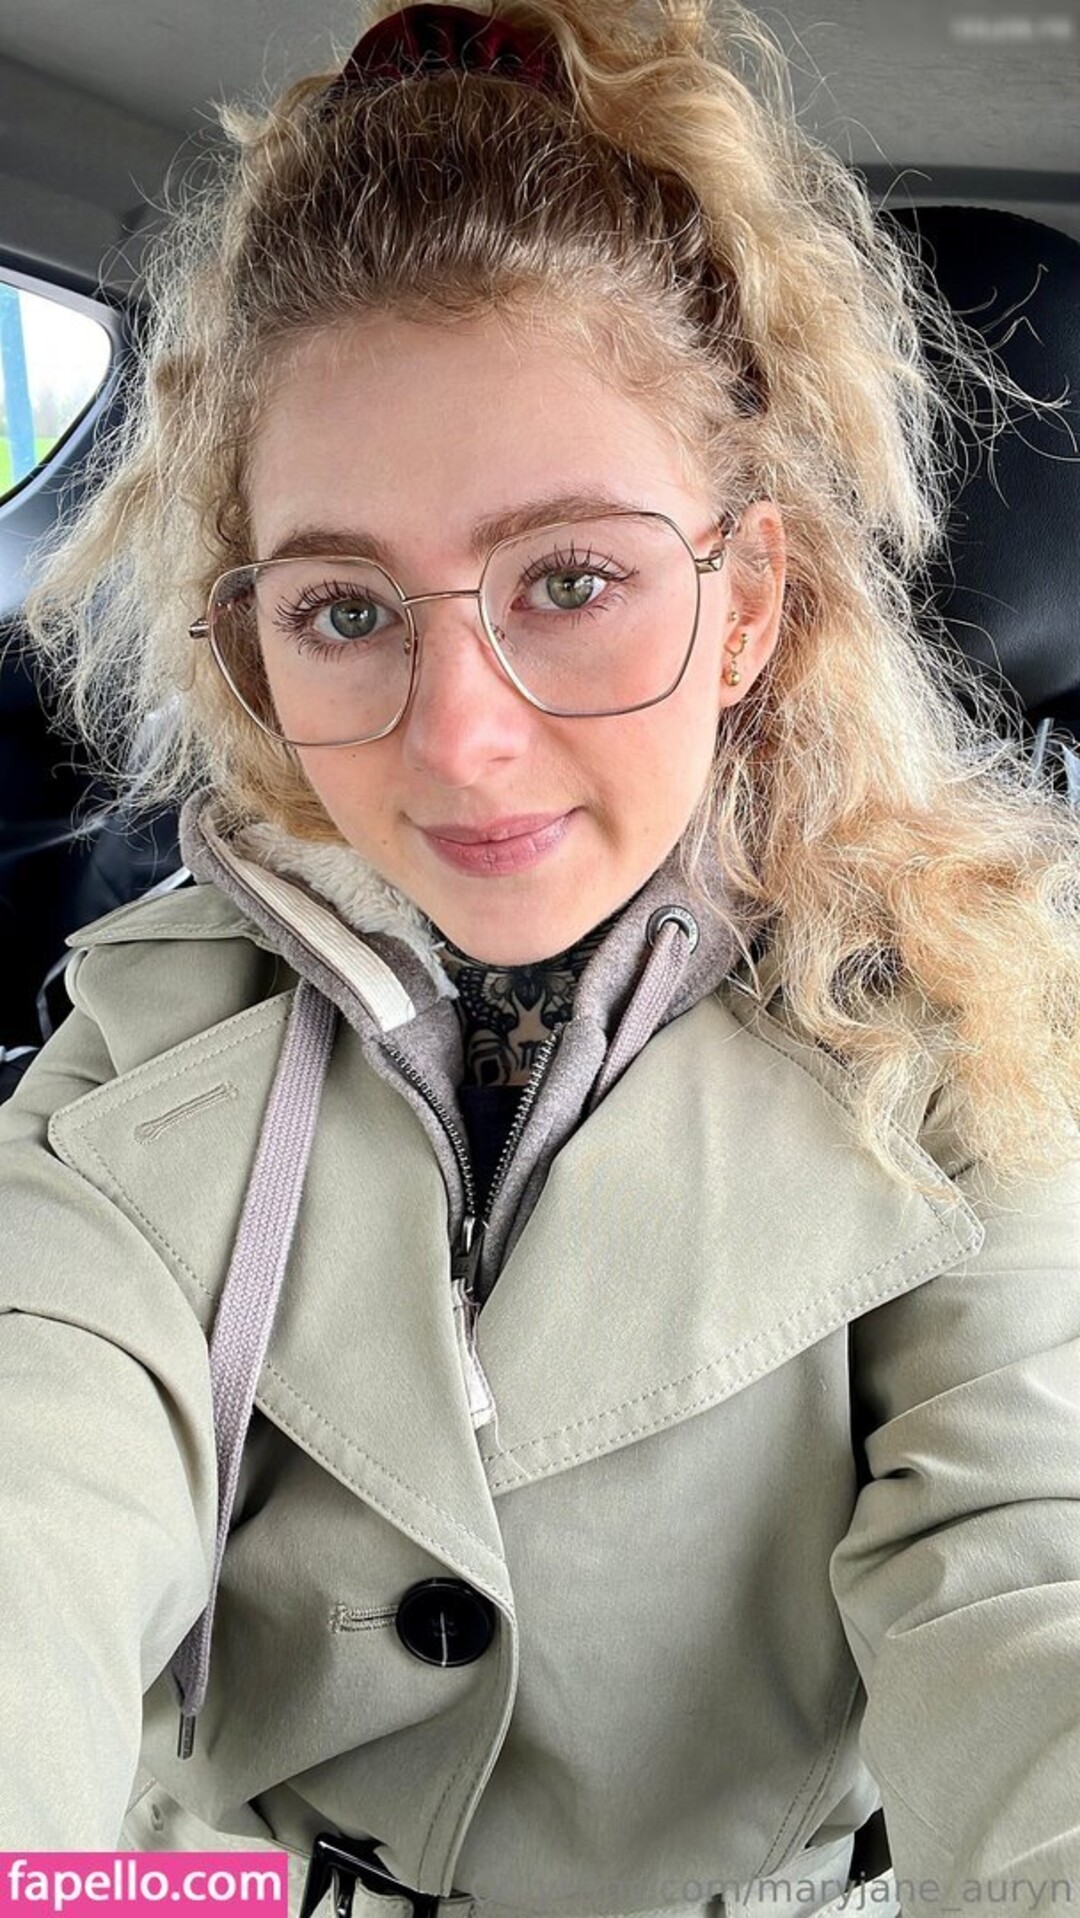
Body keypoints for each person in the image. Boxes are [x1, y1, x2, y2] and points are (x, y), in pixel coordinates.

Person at [3, 0, 1080, 1912]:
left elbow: (1036, 1578)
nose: (460, 738)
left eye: (570, 580)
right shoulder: (136, 1038)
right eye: (346, 610)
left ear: (743, 604)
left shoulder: (973, 1034)